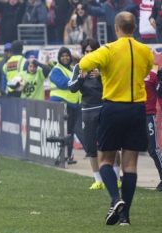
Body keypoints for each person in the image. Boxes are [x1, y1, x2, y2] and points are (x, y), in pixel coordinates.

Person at [79, 12, 153, 225]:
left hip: (113, 107)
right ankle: (125, 217)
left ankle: (115, 199)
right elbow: (147, 69)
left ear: (116, 28)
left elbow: (84, 63)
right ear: (135, 28)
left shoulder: (109, 49)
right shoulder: (145, 51)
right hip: (137, 109)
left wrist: (103, 68)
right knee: (130, 165)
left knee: (105, 160)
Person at [69, 38, 121, 190]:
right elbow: (71, 88)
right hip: (87, 110)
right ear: (83, 52)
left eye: (92, 51)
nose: (89, 54)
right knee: (91, 146)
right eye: (87, 51)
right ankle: (98, 180)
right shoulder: (79, 67)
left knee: (112, 144)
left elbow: (115, 84)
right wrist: (80, 77)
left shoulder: (104, 65)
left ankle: (117, 178)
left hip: (105, 107)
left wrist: (101, 76)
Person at [49, 46, 81, 164]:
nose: (65, 58)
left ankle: (68, 156)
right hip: (61, 103)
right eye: (63, 56)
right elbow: (62, 83)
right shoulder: (57, 69)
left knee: (70, 132)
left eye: (67, 55)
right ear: (59, 57)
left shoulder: (73, 69)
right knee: (62, 132)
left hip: (73, 105)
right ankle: (60, 156)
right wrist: (77, 79)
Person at [144, 69, 162, 191]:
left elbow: (160, 95)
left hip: (148, 115)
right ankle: (129, 175)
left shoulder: (153, 74)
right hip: (132, 115)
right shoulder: (130, 71)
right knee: (128, 148)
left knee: (153, 149)